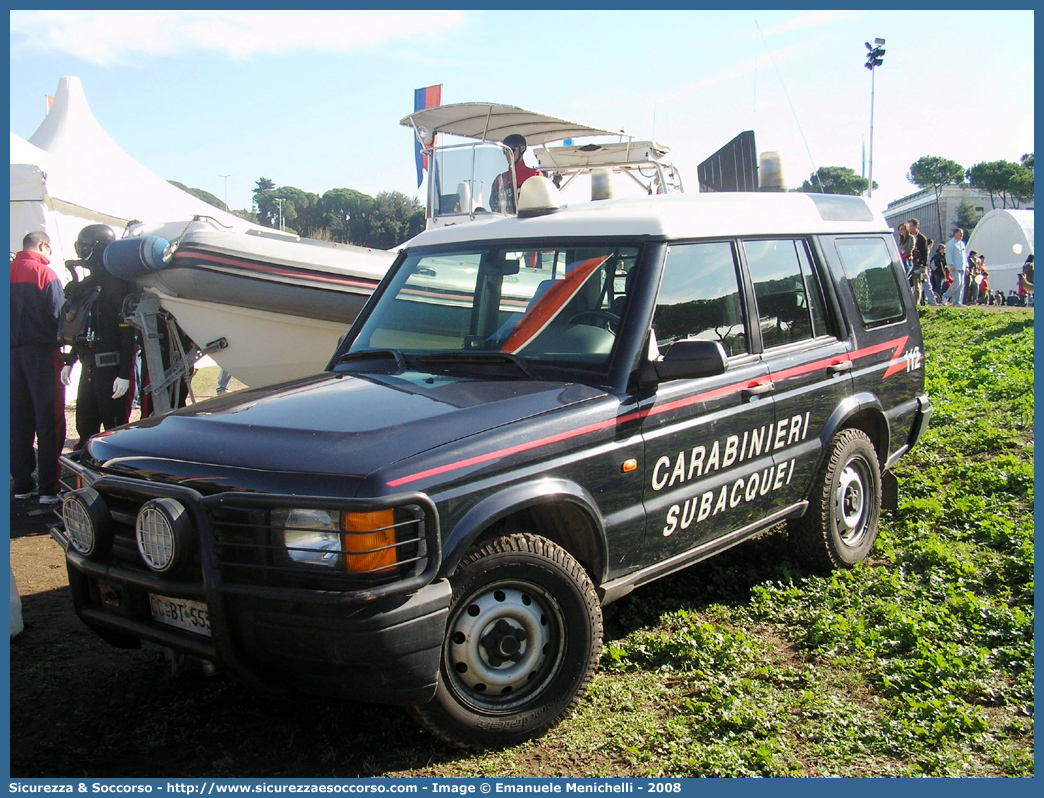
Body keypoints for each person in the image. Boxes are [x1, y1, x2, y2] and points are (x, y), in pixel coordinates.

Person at [60, 224, 136, 448]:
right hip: (89, 366)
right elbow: (81, 328)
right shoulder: (86, 286)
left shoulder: (116, 286)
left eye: (85, 247)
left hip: (110, 369)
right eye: (79, 246)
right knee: (85, 426)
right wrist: (71, 360)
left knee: (114, 429)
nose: (81, 252)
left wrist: (124, 373)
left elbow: (127, 332)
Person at [10, 231, 66, 504]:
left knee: (16, 421)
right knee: (48, 420)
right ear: (43, 246)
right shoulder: (46, 274)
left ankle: (21, 483)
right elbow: (58, 316)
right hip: (41, 353)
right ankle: (48, 487)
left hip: (9, 356)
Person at [490, 133, 543, 212]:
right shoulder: (499, 180)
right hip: (504, 222)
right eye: (505, 152)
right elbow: (494, 207)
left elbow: (541, 205)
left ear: (522, 149)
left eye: (511, 151)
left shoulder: (534, 176)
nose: (508, 155)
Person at [942, 228, 967, 306]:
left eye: (962, 234)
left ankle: (957, 302)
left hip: (961, 266)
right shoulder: (950, 244)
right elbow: (948, 255)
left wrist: (967, 266)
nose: (961, 235)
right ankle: (946, 296)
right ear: (955, 233)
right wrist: (950, 264)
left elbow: (964, 256)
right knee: (957, 282)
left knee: (961, 284)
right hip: (954, 266)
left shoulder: (962, 244)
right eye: (960, 233)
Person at [908, 219, 930, 304]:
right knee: (907, 283)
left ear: (916, 226)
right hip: (909, 262)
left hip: (918, 263)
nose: (910, 228)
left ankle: (916, 303)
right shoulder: (907, 237)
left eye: (911, 226)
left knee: (917, 283)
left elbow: (925, 253)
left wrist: (924, 265)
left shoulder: (922, 238)